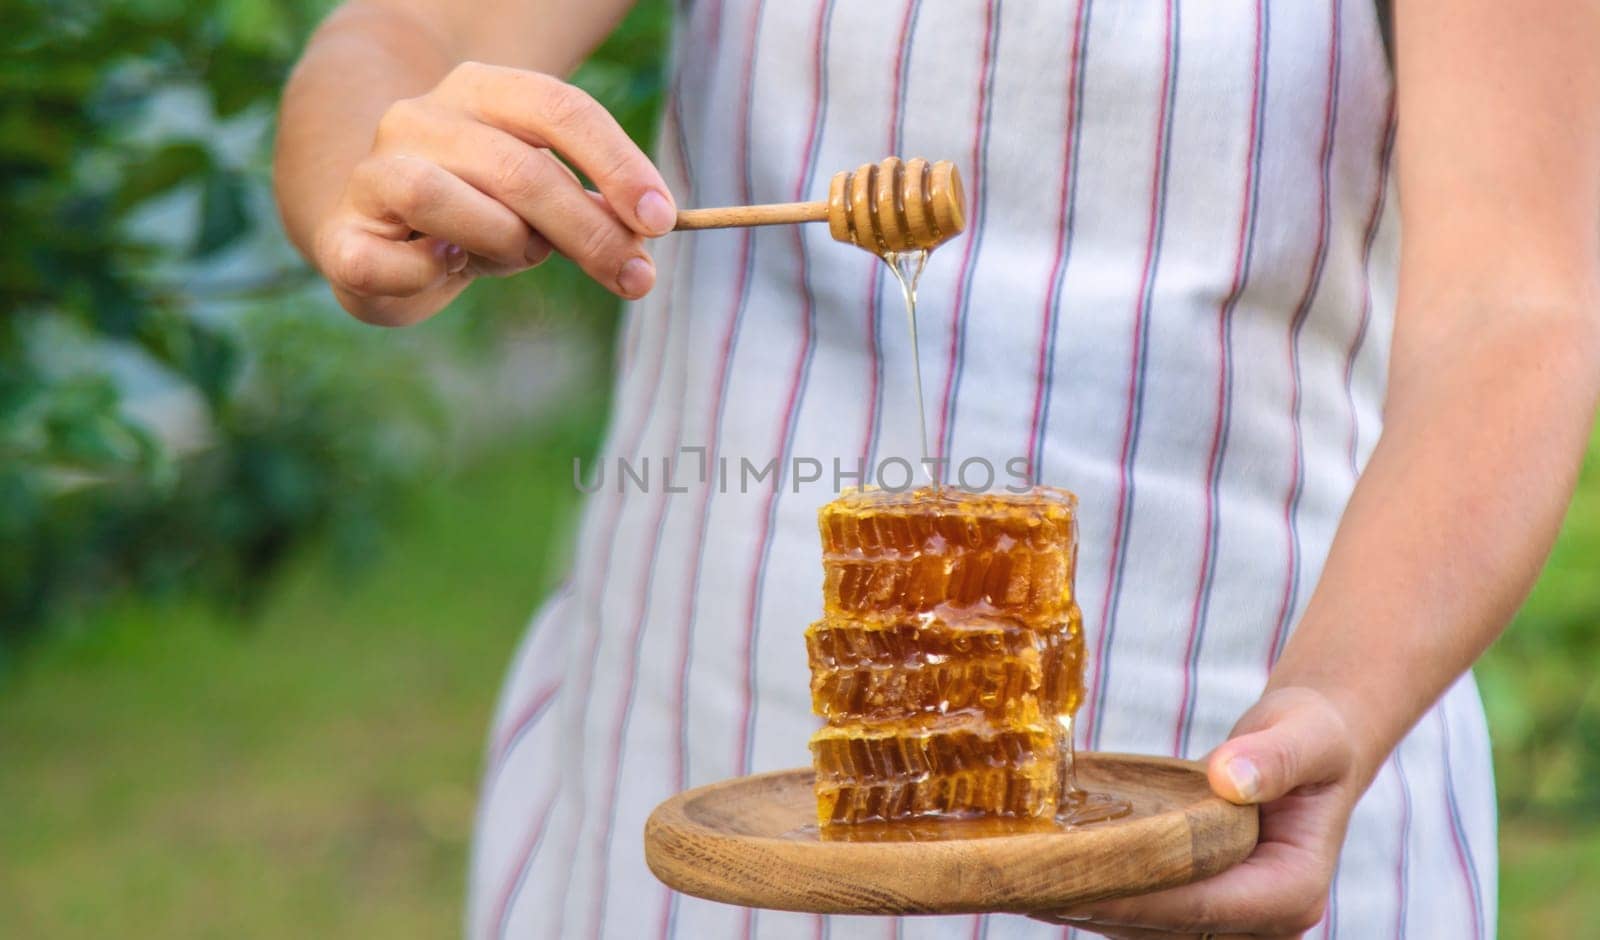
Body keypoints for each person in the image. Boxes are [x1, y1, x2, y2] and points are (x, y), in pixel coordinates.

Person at [273, 1, 1600, 936]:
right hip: (693, 751)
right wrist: (371, 176)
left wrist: (1338, 708)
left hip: (1230, 736)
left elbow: (1517, 306)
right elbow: (401, 34)